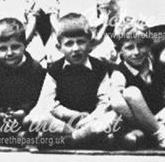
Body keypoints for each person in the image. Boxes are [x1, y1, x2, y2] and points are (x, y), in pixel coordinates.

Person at [27, 13, 125, 148]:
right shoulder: (55, 69)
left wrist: (88, 119)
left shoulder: (99, 67)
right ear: (59, 47)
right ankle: (83, 138)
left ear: (90, 44)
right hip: (63, 121)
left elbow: (104, 102)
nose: (76, 48)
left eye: (81, 42)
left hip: (90, 120)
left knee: (114, 116)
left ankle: (70, 140)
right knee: (36, 117)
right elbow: (48, 103)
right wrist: (75, 116)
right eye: (69, 43)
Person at [108, 21, 165, 150]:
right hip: (132, 121)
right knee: (131, 93)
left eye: (141, 46)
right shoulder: (120, 72)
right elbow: (116, 103)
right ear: (120, 51)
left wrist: (153, 120)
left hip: (159, 117)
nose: (136, 52)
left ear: (149, 45)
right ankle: (161, 135)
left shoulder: (159, 70)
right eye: (129, 47)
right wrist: (144, 123)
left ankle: (150, 134)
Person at [0, 17, 46, 145]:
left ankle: (23, 135)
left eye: (15, 47)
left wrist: (23, 111)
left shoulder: (35, 69)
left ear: (25, 45)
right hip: (4, 116)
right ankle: (15, 137)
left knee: (36, 121)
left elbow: (36, 96)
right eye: (3, 48)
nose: (9, 53)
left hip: (26, 113)